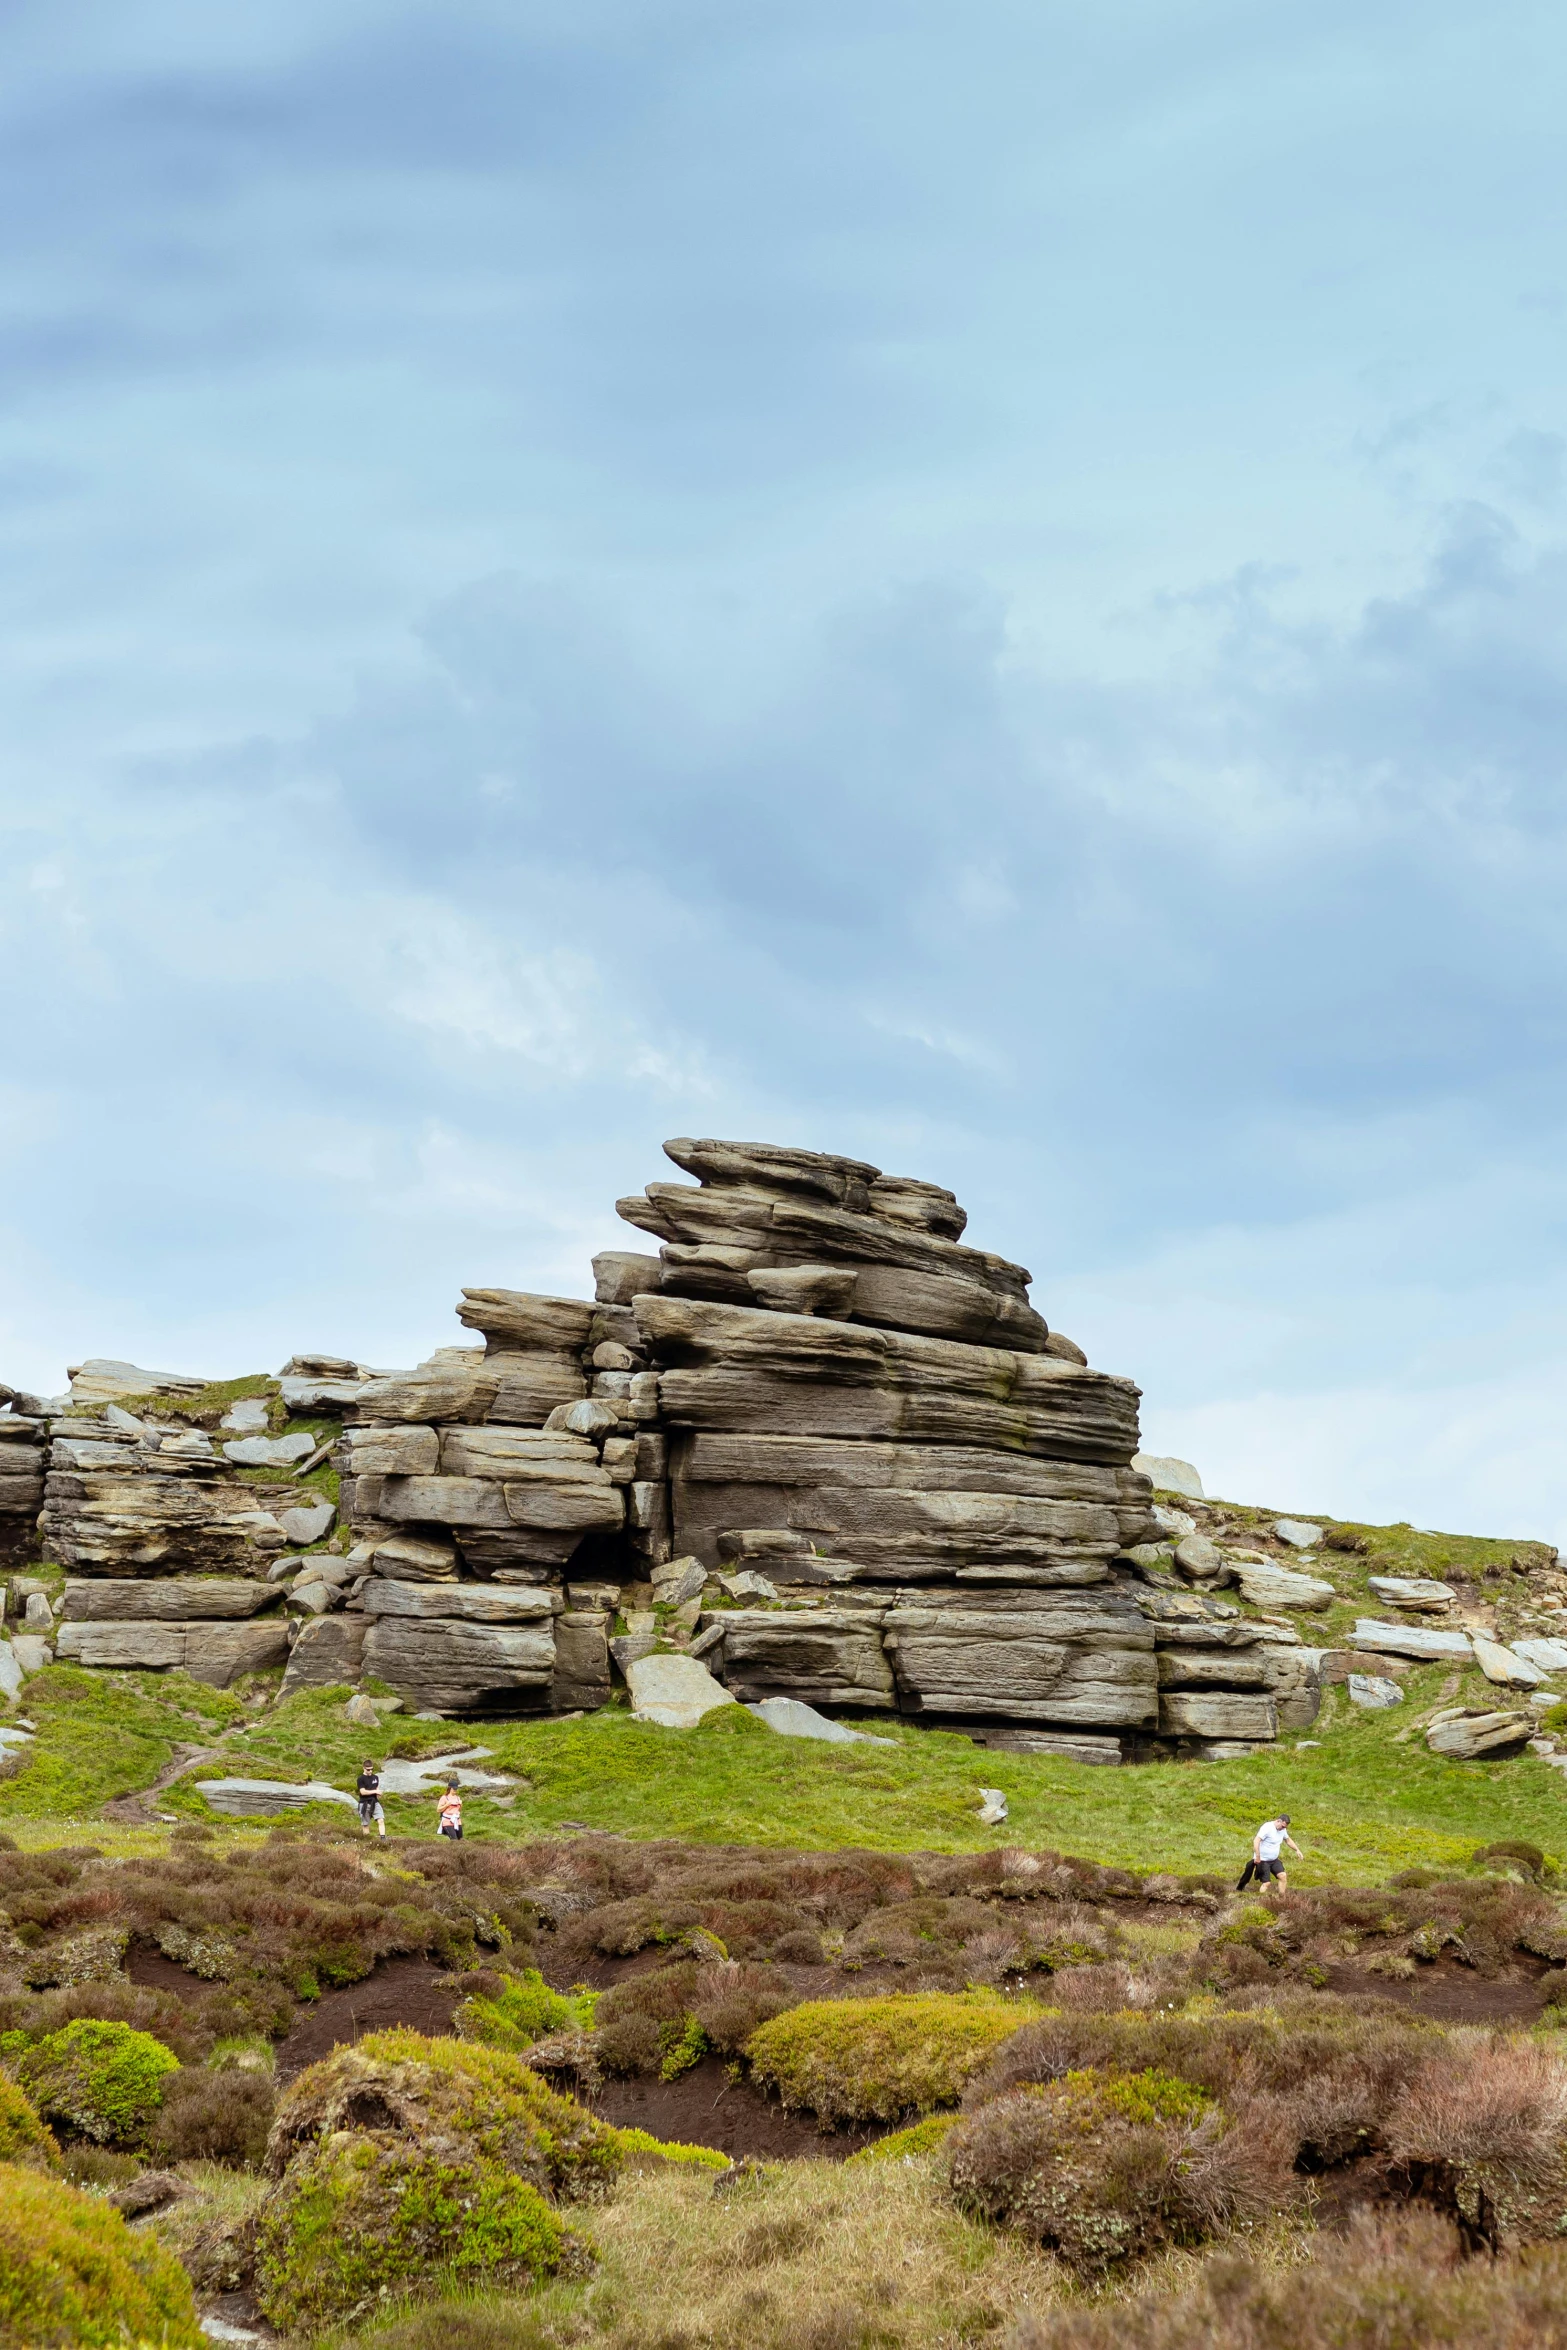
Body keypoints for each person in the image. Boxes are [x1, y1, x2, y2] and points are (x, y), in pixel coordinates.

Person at [1250, 1814, 1301, 1893]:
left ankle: (1281, 1899)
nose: (1283, 1828)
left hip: (1274, 1860)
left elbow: (1288, 1840)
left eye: (1285, 1827)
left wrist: (1297, 1850)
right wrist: (1257, 1856)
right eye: (1283, 1826)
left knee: (1283, 1876)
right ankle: (1258, 1902)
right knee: (1266, 1883)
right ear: (1278, 1821)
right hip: (1262, 1860)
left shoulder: (1282, 1830)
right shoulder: (1267, 1827)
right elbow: (1256, 1840)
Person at [355, 1760, 385, 1839]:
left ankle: (383, 1839)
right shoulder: (360, 1779)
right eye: (368, 1769)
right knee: (365, 1824)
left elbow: (376, 1788)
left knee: (381, 1820)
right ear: (363, 1768)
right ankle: (367, 1840)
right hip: (364, 1803)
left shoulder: (375, 1777)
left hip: (375, 1802)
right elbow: (363, 1792)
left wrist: (378, 1793)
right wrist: (375, 1791)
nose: (370, 1771)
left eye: (372, 1769)